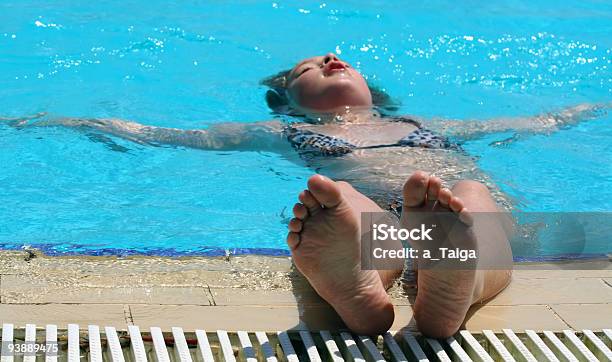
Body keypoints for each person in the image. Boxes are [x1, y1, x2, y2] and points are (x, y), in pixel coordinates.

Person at [3, 53, 608, 336]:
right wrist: (61, 120)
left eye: (341, 60)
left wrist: (589, 108)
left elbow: (543, 123)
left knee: (471, 199)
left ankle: (444, 285)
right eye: (306, 69)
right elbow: (169, 136)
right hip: (388, 217)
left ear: (377, 91)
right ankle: (367, 284)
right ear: (288, 97)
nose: (330, 57)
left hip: (450, 214)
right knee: (348, 205)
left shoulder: (427, 122)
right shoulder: (280, 130)